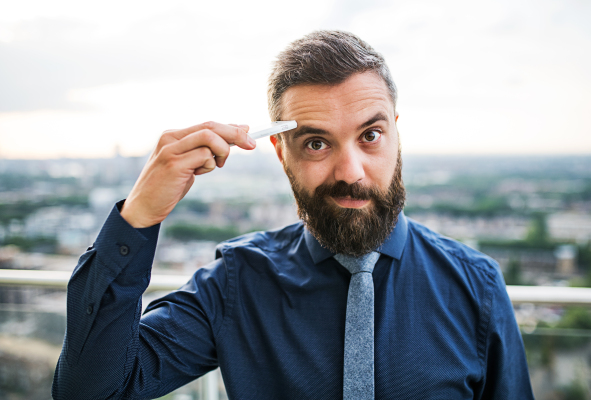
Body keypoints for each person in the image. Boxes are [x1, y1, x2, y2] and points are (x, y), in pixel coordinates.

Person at [52, 30, 534, 399]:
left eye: (370, 136)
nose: (351, 171)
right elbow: (91, 391)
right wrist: (136, 219)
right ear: (282, 154)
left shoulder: (476, 287)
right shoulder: (236, 284)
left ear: (395, 136)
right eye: (317, 143)